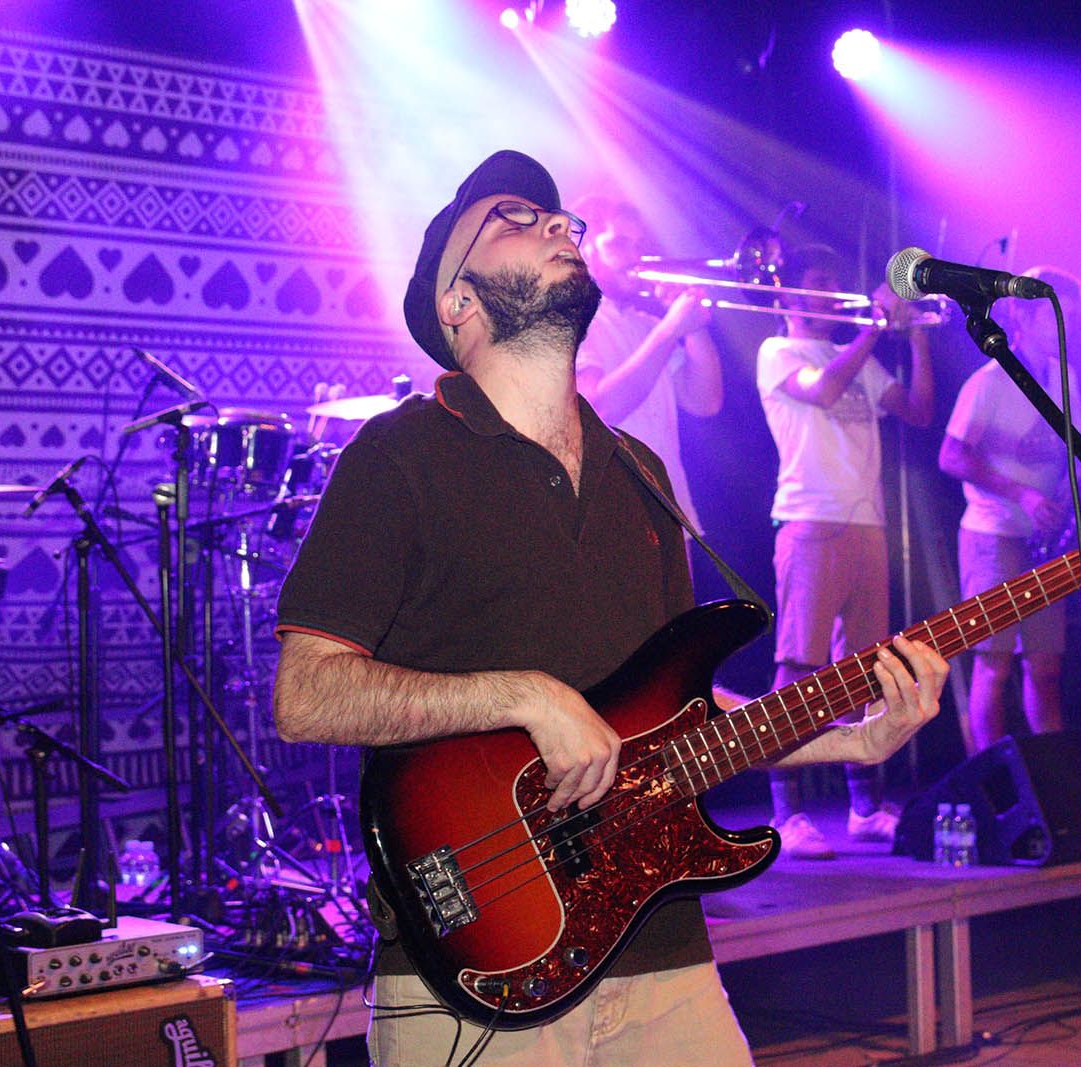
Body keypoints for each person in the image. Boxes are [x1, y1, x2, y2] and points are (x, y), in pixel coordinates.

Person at [270, 151, 949, 1066]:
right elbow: (306, 695)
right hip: (478, 968)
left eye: (560, 218)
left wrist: (851, 740)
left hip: (663, 955)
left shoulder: (643, 473)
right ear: (457, 302)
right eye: (513, 218)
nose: (558, 223)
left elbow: (680, 720)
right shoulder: (397, 457)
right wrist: (527, 697)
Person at [756, 244, 936, 860]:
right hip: (810, 520)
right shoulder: (778, 351)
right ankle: (787, 814)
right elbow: (825, 391)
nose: (832, 293)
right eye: (818, 282)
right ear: (788, 295)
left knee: (863, 671)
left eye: (836, 282)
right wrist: (875, 328)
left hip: (867, 523)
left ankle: (865, 808)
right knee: (798, 668)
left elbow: (918, 412)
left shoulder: (857, 355)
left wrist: (916, 337)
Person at [937, 266, 1081, 756]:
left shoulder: (1065, 377)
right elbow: (950, 456)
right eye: (1054, 317)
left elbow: (1071, 452)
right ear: (1019, 315)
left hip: (1044, 539)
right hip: (993, 535)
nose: (1064, 328)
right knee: (994, 664)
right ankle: (992, 778)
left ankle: (1051, 780)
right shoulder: (990, 381)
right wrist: (1024, 495)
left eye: (1069, 318)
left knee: (1046, 665)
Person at [572, 195, 723, 530]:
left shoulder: (648, 325)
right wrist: (671, 330)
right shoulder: (573, 320)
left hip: (671, 512)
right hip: (614, 519)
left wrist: (694, 327)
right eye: (619, 244)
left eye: (639, 245)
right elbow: (599, 410)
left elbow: (705, 402)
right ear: (585, 251)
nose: (634, 256)